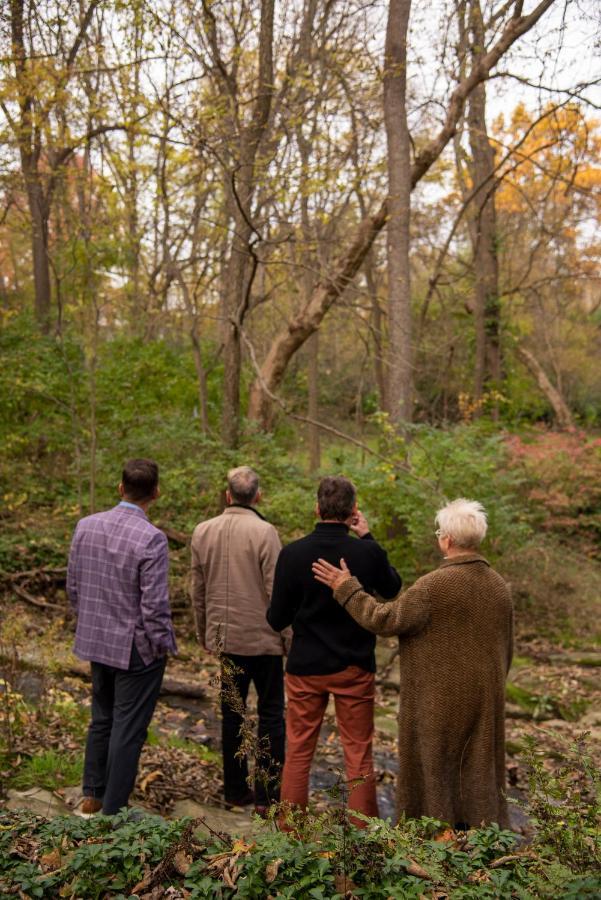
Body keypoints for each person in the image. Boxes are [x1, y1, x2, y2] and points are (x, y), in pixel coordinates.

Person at [313, 498, 513, 829]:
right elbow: (508, 647)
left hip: (438, 698)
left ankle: (433, 838)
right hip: (485, 695)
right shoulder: (498, 587)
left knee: (435, 766)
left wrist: (346, 588)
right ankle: (481, 838)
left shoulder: (433, 586)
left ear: (446, 539)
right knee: (476, 768)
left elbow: (383, 619)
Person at [266, 476, 402, 820]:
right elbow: (392, 588)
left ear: (317, 509)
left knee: (297, 750)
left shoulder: (293, 553)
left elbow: (276, 619)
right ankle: (362, 837)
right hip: (353, 665)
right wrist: (367, 536)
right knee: (358, 753)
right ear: (353, 511)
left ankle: (290, 832)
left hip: (305, 667)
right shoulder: (366, 552)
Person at [67, 458, 177, 816]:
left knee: (102, 719)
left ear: (120, 487)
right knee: (127, 729)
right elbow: (155, 606)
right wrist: (161, 647)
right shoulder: (152, 538)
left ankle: (92, 799)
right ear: (156, 493)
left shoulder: (86, 526)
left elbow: (73, 587)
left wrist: (90, 622)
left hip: (97, 640)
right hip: (135, 649)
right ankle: (113, 814)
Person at [190, 466, 288, 813]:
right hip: (263, 640)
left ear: (228, 495)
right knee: (271, 714)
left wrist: (204, 632)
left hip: (227, 638)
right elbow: (278, 591)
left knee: (233, 714)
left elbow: (197, 590)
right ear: (257, 496)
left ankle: (234, 791)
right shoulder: (266, 532)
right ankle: (267, 797)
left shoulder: (203, 531)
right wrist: (287, 637)